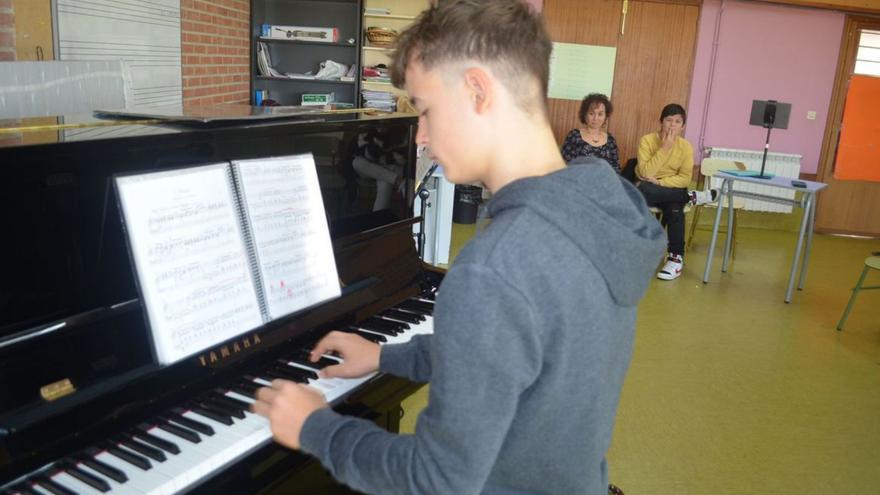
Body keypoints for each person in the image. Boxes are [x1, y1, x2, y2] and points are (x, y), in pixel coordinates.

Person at [252, 1, 666, 494]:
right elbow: (508, 353)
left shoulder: (497, 266)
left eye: (425, 111)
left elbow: (435, 480)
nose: (421, 137)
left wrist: (315, 427)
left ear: (477, 89)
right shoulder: (597, 206)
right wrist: (385, 356)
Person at [635, 103, 717, 281]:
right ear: (661, 122)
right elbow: (645, 173)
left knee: (674, 209)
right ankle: (691, 197)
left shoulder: (686, 147)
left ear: (683, 126)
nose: (672, 125)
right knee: (642, 189)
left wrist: (662, 182)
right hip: (649, 188)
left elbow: (685, 178)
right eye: (668, 120)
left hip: (671, 190)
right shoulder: (647, 141)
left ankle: (675, 259)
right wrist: (664, 148)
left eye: (677, 121)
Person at [561, 93, 621, 172]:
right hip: (578, 180)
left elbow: (616, 169)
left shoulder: (610, 140)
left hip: (604, 182)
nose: (595, 118)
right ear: (584, 114)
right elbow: (566, 165)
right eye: (591, 113)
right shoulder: (574, 136)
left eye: (600, 114)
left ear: (606, 116)